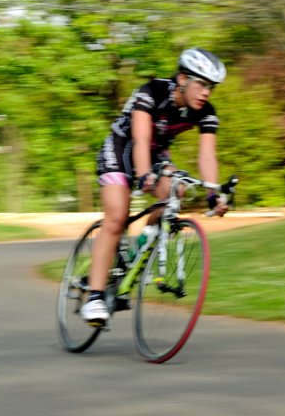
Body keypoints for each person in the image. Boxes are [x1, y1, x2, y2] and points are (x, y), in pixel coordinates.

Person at [81, 47, 229, 327]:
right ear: (183, 78)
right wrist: (144, 174)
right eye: (202, 84)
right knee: (116, 217)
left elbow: (207, 156)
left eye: (211, 87)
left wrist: (213, 195)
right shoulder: (152, 92)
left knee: (177, 189)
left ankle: (143, 241)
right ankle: (95, 296)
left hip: (155, 153)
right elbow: (139, 137)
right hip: (122, 147)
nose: (207, 92)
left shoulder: (206, 113)